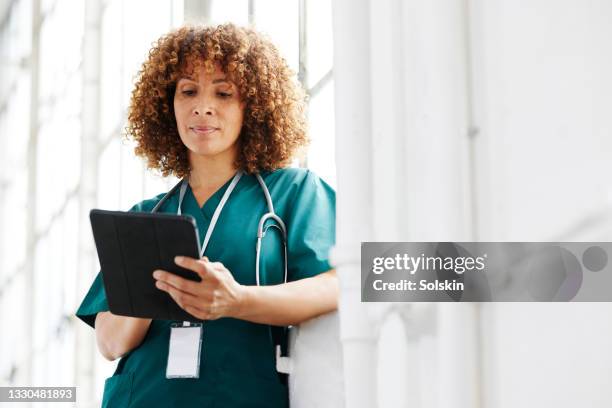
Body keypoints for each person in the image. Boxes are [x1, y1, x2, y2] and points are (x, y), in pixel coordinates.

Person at [76, 23, 337, 408]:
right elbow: (111, 343)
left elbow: (339, 282)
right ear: (168, 104)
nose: (203, 106)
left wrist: (237, 300)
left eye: (223, 92)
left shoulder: (292, 193)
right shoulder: (146, 216)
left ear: (254, 105)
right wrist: (153, 289)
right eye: (188, 91)